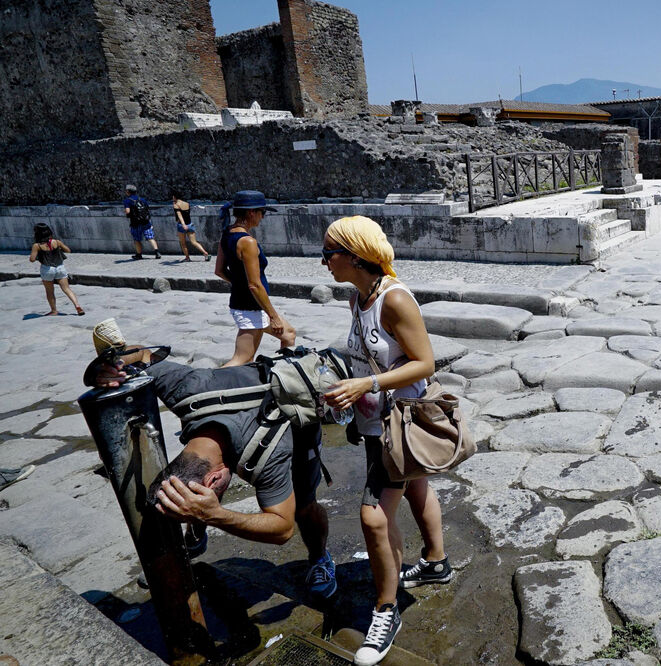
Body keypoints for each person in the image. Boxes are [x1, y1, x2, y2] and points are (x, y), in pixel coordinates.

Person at [89, 338, 338, 602]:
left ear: (214, 478)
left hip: (296, 422)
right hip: (247, 402)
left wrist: (215, 514)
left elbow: (282, 529)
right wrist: (108, 368)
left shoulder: (267, 456)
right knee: (195, 501)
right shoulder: (186, 387)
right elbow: (143, 354)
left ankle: (320, 558)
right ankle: (195, 535)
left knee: (304, 506)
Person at [320, 216, 451, 666]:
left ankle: (385, 610)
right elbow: (362, 358)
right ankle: (435, 563)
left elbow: (425, 362)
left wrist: (368, 385)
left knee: (373, 520)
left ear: (356, 257)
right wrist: (347, 390)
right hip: (375, 423)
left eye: (329, 254)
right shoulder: (359, 297)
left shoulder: (393, 301)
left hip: (399, 426)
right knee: (416, 488)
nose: (323, 263)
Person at [214, 190, 295, 367]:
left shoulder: (226, 234)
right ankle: (211, 385)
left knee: (288, 334)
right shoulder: (247, 241)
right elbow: (255, 284)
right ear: (251, 213)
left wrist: (240, 284)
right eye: (262, 212)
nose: (262, 217)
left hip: (249, 304)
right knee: (242, 359)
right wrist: (273, 316)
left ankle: (283, 374)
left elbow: (219, 271)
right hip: (250, 308)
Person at [28, 223, 84, 316]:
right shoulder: (56, 242)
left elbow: (32, 259)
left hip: (47, 269)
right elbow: (68, 250)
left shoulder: (36, 245)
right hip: (60, 267)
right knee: (67, 289)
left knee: (50, 291)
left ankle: (54, 311)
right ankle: (78, 307)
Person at [123, 184, 160, 260]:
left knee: (137, 239)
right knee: (150, 237)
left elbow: (127, 211)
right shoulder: (142, 199)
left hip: (135, 223)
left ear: (128, 192)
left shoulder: (127, 200)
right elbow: (147, 210)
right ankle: (157, 252)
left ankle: (139, 254)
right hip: (145, 221)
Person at [171, 190, 211, 262]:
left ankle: (187, 258)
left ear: (174, 197)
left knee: (183, 243)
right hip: (190, 224)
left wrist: (183, 224)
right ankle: (205, 253)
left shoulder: (176, 205)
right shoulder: (187, 203)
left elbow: (179, 215)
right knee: (194, 242)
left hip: (182, 225)